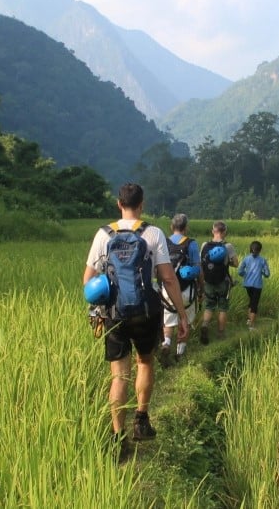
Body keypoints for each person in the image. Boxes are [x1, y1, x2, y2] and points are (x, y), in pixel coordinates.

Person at [82, 183, 190, 450]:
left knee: (119, 376)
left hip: (114, 313)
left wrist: (97, 309)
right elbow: (167, 277)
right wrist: (182, 315)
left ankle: (118, 437)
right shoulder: (152, 233)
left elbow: (88, 281)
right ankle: (141, 420)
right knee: (145, 362)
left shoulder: (103, 234)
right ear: (142, 204)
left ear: (119, 204)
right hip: (146, 310)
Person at [160, 213, 202, 363]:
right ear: (186, 228)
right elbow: (198, 269)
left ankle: (166, 343)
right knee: (186, 320)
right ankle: (180, 353)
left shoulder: (164, 242)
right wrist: (200, 288)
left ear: (172, 227)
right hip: (186, 291)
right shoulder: (191, 244)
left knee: (168, 320)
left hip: (167, 291)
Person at [199, 221, 239, 342]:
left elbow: (202, 262)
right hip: (223, 282)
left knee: (209, 306)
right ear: (224, 232)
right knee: (223, 308)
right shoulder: (228, 246)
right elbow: (236, 264)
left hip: (208, 281)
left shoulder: (205, 245)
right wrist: (228, 262)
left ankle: (205, 324)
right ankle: (221, 334)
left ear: (213, 231)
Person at [237, 240, 271, 330]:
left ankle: (249, 320)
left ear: (250, 249)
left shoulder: (246, 258)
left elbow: (240, 271)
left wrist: (246, 275)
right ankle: (251, 326)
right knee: (254, 304)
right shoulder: (262, 260)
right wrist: (262, 272)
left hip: (247, 284)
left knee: (251, 301)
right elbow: (267, 274)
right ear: (260, 250)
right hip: (257, 285)